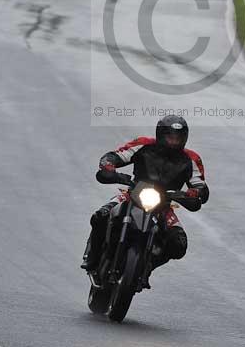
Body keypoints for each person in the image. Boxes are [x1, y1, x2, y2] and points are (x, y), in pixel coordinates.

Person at [81, 115, 209, 280]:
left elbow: (200, 187)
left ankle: (147, 265)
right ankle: (92, 255)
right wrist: (109, 167)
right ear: (160, 134)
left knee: (178, 244)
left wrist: (194, 193)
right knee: (101, 216)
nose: (173, 141)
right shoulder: (144, 144)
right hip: (131, 195)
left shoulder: (191, 158)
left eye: (178, 137)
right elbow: (116, 155)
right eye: (170, 136)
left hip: (163, 205)